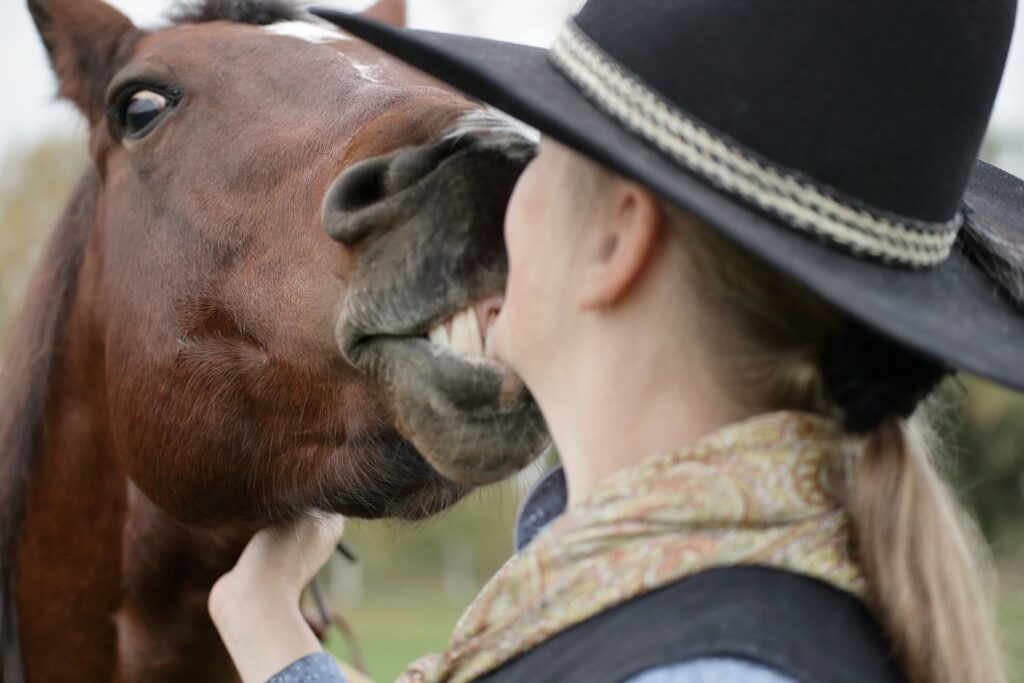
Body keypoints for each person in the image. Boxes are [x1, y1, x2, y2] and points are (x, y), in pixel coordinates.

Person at [210, 0, 1024, 681]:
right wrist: (264, 623)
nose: (504, 200)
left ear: (616, 241)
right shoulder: (679, 601)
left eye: (542, 153)